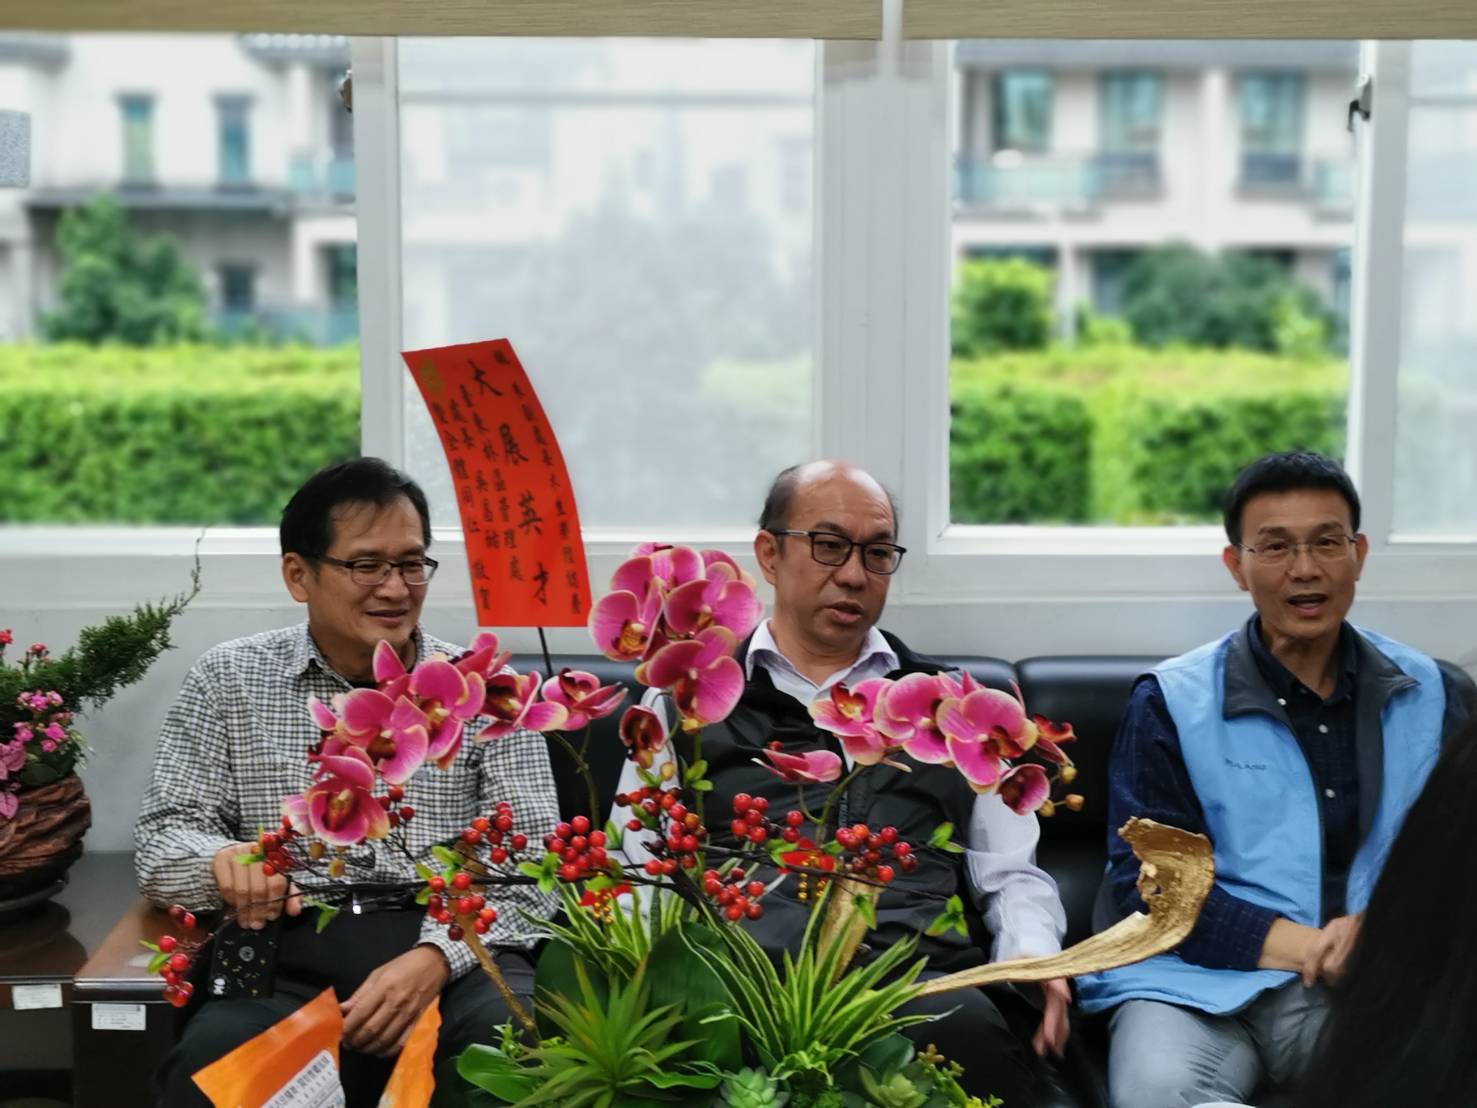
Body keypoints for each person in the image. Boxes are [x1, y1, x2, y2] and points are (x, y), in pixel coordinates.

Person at [612, 459, 1071, 1106]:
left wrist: (1034, 958)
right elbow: (634, 872)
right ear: (769, 554)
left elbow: (1010, 874)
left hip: (917, 989)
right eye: (828, 545)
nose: (854, 574)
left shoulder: (954, 709)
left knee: (972, 1034)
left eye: (877, 553)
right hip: (741, 992)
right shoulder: (685, 699)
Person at [135, 458, 560, 1107]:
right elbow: (165, 838)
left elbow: (533, 860)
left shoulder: (484, 689)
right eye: (366, 565)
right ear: (298, 574)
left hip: (456, 954)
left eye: (411, 564)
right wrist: (223, 863)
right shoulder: (229, 680)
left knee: (513, 1053)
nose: (395, 589)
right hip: (285, 958)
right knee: (211, 1070)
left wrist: (437, 957)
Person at [1077, 451, 1470, 1108]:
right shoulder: (1170, 700)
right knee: (1157, 1094)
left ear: (1358, 554)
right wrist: (1319, 946)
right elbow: (1153, 887)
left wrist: (1380, 933)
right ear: (1236, 565)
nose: (1305, 568)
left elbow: (1460, 866)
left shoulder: (1430, 692)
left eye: (1326, 542)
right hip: (1186, 985)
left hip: (1354, 985)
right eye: (1276, 546)